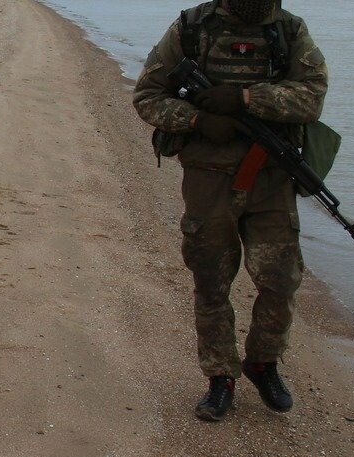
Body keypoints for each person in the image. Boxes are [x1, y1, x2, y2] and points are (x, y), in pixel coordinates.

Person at [132, 0, 327, 422]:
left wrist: (245, 99)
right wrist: (197, 121)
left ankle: (263, 363)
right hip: (209, 179)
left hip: (271, 178)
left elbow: (312, 98)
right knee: (211, 281)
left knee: (281, 280)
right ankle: (220, 376)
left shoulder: (289, 31)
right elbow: (147, 96)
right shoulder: (191, 27)